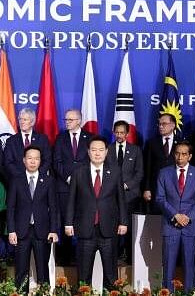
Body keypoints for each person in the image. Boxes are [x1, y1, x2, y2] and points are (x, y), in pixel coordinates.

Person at [64, 136, 128, 289]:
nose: (97, 153)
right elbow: (71, 199)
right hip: (85, 229)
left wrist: (123, 222)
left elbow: (121, 198)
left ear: (106, 152)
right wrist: (68, 223)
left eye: (101, 150)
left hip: (109, 228)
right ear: (88, 152)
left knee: (111, 275)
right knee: (84, 275)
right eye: (94, 150)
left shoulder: (115, 172)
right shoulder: (78, 172)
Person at [155, 140, 195, 293]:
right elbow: (160, 198)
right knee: (169, 265)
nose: (180, 157)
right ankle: (167, 293)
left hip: (189, 227)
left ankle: (189, 293)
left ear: (190, 156)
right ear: (173, 154)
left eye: (184, 154)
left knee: (189, 266)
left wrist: (187, 217)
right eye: (177, 153)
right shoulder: (164, 173)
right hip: (170, 226)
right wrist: (175, 215)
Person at [7, 145, 58, 292]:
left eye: (36, 158)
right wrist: (11, 230)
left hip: (42, 232)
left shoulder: (48, 180)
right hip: (21, 232)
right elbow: (11, 208)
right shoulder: (16, 180)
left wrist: (53, 230)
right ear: (24, 160)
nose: (33, 161)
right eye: (30, 158)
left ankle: (44, 293)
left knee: (43, 270)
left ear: (40, 161)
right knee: (21, 271)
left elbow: (54, 208)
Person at [53, 109, 92, 265]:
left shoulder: (89, 138)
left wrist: (79, 179)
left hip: (83, 187)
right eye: (66, 119)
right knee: (64, 220)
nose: (67, 122)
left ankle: (81, 255)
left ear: (79, 121)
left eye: (70, 119)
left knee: (81, 219)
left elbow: (91, 161)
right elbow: (57, 162)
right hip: (64, 186)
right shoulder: (60, 138)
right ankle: (65, 256)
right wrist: (68, 177)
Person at [106, 120, 143, 264]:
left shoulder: (136, 150)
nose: (119, 135)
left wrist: (127, 185)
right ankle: (113, 255)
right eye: (117, 132)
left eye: (122, 132)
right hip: (111, 196)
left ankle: (128, 256)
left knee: (128, 227)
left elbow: (139, 173)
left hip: (130, 196)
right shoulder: (107, 149)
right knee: (112, 226)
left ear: (127, 133)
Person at [143, 113, 180, 214]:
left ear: (173, 125)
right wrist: (147, 188)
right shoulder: (151, 143)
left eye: (164, 124)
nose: (160, 126)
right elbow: (147, 167)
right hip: (156, 187)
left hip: (176, 188)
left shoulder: (182, 142)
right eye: (159, 124)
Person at [4, 108, 51, 179]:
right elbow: (8, 162)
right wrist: (20, 176)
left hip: (38, 180)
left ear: (32, 122)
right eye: (20, 119)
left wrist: (37, 174)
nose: (21, 122)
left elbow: (47, 160)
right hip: (17, 180)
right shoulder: (11, 141)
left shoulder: (42, 139)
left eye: (25, 120)